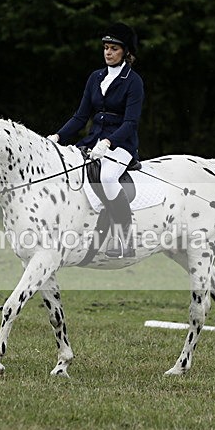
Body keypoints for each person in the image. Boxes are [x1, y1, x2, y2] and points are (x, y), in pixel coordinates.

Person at [48, 22, 144, 259]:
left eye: (114, 49)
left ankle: (125, 236)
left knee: (107, 176)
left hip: (121, 144)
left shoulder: (133, 81)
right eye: (106, 48)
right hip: (93, 141)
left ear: (125, 52)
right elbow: (81, 116)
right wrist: (58, 136)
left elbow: (130, 123)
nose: (108, 53)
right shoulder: (95, 77)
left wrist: (109, 143)